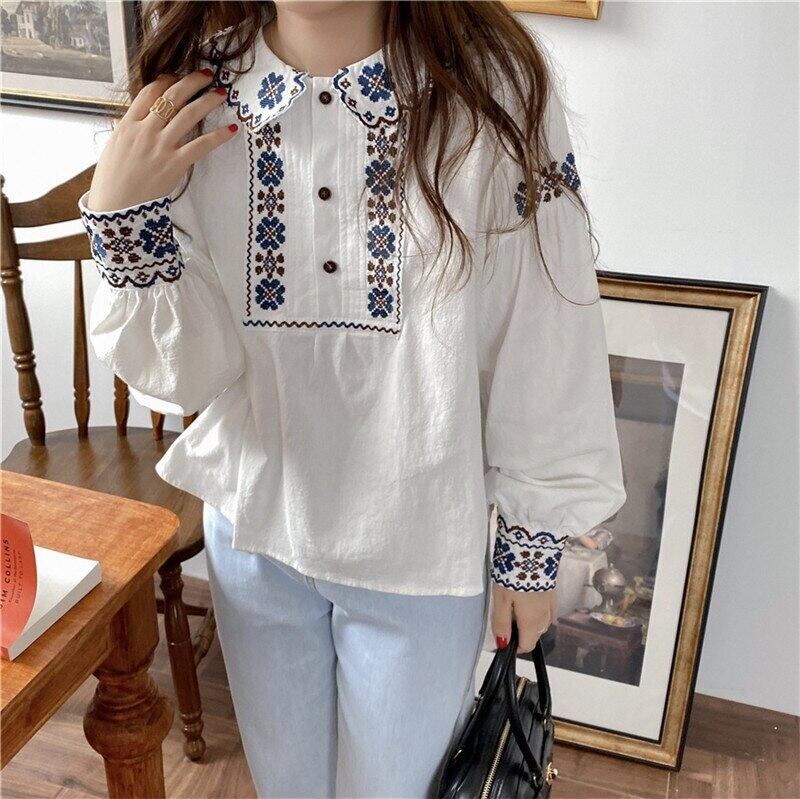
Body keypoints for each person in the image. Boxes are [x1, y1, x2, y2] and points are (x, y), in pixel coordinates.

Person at [77, 1, 626, 796]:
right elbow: (186, 373)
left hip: (419, 551)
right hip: (257, 532)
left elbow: (547, 326)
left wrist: (532, 543)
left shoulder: (492, 88)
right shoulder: (197, 91)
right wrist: (122, 215)